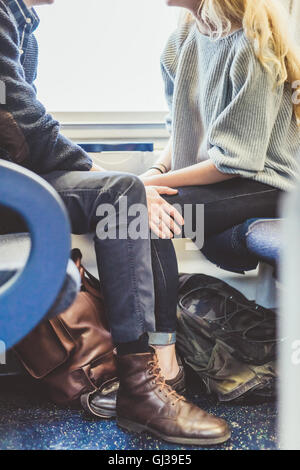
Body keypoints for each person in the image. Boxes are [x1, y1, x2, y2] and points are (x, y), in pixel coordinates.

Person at [0, 0, 231, 445]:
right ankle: (144, 389)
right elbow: (20, 118)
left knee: (122, 192)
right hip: (10, 183)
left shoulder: (20, 16)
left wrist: (113, 178)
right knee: (123, 190)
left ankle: (142, 386)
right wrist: (94, 171)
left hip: (15, 176)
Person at [141, 0, 300, 246]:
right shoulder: (181, 41)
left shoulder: (252, 47)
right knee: (129, 209)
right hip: (219, 180)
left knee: (134, 217)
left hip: (266, 184)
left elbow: (235, 163)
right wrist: (156, 171)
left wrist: (145, 184)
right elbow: (183, 127)